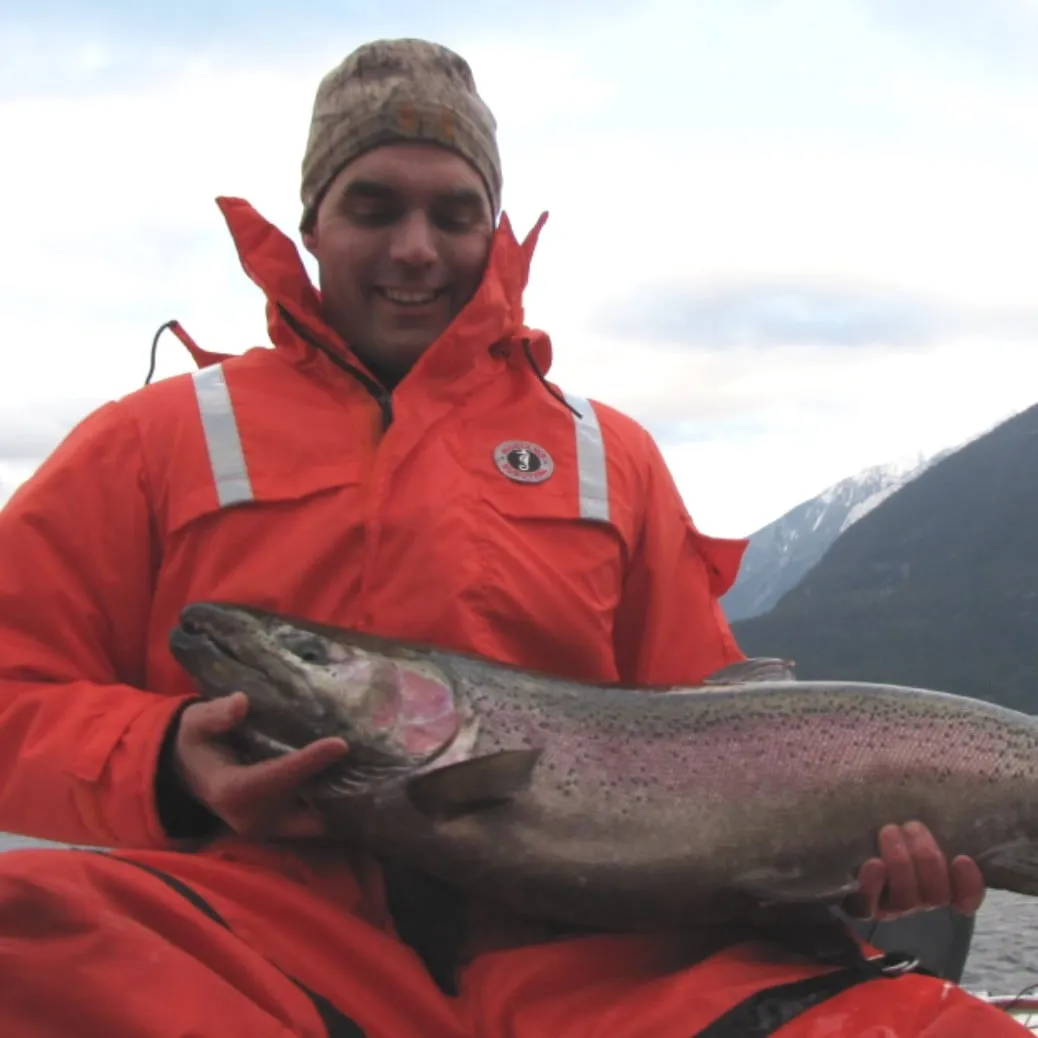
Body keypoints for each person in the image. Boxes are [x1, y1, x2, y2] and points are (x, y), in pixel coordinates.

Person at [0, 36, 1025, 1038]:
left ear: (494, 230)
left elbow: (731, 742)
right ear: (312, 223)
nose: (415, 247)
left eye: (454, 213)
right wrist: (166, 762)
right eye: (373, 206)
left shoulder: (609, 457)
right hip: (257, 939)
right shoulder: (149, 443)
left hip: (603, 966)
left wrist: (850, 861)